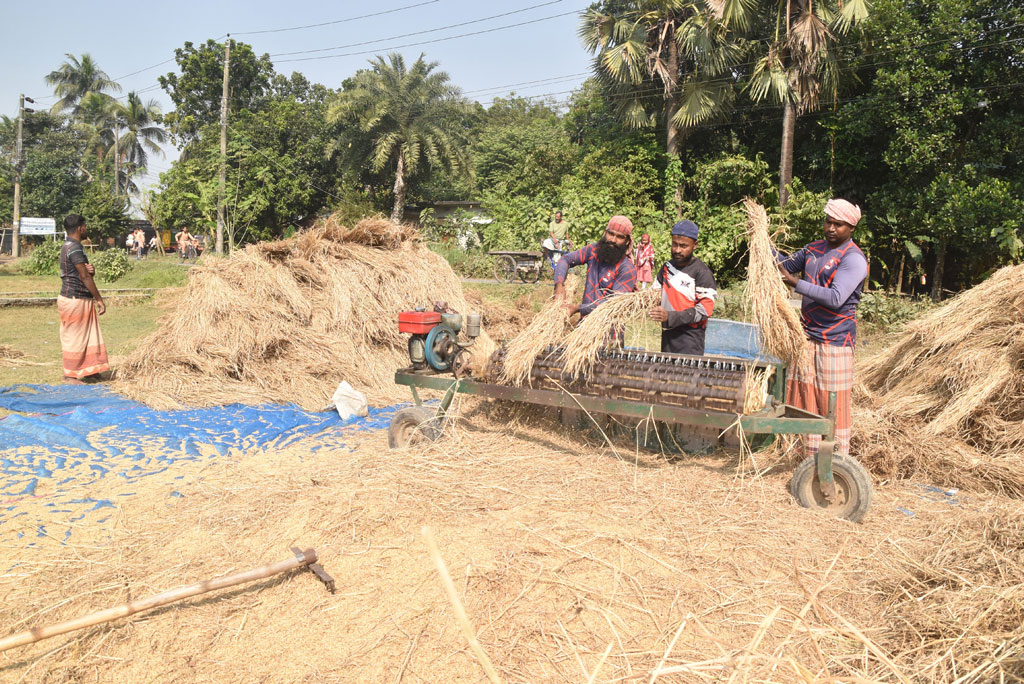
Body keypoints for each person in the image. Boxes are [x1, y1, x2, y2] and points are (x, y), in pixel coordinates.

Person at [777, 198, 868, 461]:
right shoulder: (813, 250)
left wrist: (796, 283)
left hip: (835, 341)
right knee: (804, 396)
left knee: (831, 403)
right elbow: (783, 266)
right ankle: (803, 458)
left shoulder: (854, 259)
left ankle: (834, 462)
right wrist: (762, 243)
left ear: (851, 228)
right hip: (806, 336)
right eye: (828, 222)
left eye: (838, 224)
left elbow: (836, 298)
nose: (831, 228)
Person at [648, 220, 717, 355]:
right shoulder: (667, 268)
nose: (677, 250)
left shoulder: (702, 273)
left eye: (683, 246)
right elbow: (654, 293)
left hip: (690, 338)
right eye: (674, 244)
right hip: (668, 335)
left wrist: (670, 316)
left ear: (695, 245)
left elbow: (705, 310)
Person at [553, 215, 637, 318]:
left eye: (620, 237)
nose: (613, 240)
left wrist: (578, 308)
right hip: (584, 323)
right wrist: (559, 285)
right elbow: (565, 259)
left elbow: (614, 304)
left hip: (607, 325)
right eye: (611, 234)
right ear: (605, 233)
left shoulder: (627, 269)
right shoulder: (593, 251)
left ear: (627, 241)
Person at [58, 214, 109, 384]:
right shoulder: (74, 248)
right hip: (75, 298)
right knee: (76, 338)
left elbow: (82, 272)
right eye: (85, 226)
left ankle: (91, 371)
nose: (86, 229)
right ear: (80, 228)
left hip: (78, 298)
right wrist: (99, 299)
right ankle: (69, 375)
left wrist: (90, 271)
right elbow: (84, 276)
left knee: (89, 336)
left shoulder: (70, 246)